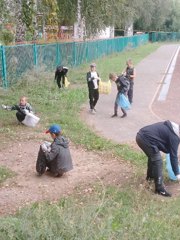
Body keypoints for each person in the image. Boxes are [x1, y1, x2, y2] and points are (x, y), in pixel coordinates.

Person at [136, 120, 180, 197]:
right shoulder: (175, 136)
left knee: (153, 157)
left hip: (141, 135)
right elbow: (173, 156)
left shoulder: (173, 128)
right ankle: (159, 189)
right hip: (145, 139)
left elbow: (167, 149)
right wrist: (177, 173)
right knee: (157, 161)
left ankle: (150, 178)